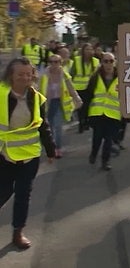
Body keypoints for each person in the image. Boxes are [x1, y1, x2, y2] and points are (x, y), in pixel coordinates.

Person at [0, 57, 56, 249]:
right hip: (4, 155)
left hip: (30, 156)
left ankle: (18, 232)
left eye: (28, 74)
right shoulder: (1, 95)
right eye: (20, 74)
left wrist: (51, 149)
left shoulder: (36, 98)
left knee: (24, 194)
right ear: (11, 76)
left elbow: (43, 125)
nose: (25, 78)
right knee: (4, 192)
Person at [38, 54, 83, 158]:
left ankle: (57, 148)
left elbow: (71, 88)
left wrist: (77, 98)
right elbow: (38, 89)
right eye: (52, 62)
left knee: (58, 127)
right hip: (47, 104)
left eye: (57, 62)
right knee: (49, 127)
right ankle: (50, 146)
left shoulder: (64, 75)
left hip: (59, 103)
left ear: (60, 63)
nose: (54, 64)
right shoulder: (44, 75)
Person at [83, 52, 120, 171]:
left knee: (108, 139)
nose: (109, 64)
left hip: (113, 114)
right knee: (97, 137)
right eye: (106, 61)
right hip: (97, 113)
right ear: (102, 63)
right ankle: (94, 153)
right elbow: (88, 96)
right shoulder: (95, 77)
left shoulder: (122, 77)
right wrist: (84, 116)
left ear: (115, 62)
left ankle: (105, 161)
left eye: (111, 61)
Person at [70, 43, 100, 133]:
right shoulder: (77, 60)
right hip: (79, 87)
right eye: (87, 49)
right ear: (83, 51)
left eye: (90, 49)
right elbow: (72, 73)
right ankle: (81, 123)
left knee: (88, 106)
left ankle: (86, 121)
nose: (89, 51)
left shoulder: (95, 61)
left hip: (90, 88)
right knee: (80, 107)